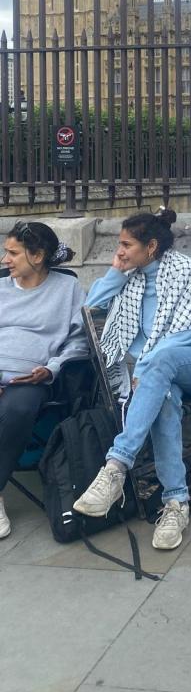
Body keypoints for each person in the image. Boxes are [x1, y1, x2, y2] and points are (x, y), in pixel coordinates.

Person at [73, 209, 191, 551]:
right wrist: (114, 271)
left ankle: (116, 466)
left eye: (126, 244)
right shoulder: (132, 277)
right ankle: (176, 503)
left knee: (162, 362)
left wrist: (144, 368)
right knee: (165, 398)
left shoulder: (185, 270)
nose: (120, 250)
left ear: (150, 246)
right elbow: (91, 306)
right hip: (158, 375)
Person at [0, 221, 88, 540]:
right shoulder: (0, 289)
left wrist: (52, 369)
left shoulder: (68, 290)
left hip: (31, 378)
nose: (4, 259)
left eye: (12, 253)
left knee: (18, 409)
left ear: (37, 256)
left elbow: (79, 341)